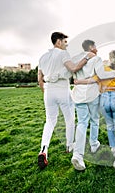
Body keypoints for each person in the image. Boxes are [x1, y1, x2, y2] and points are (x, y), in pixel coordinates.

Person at [37, 32, 95, 169]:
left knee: (50, 121)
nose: (66, 45)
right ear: (58, 42)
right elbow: (74, 68)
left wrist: (47, 93)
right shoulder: (62, 54)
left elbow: (40, 79)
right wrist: (87, 56)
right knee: (69, 119)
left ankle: (43, 150)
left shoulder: (42, 57)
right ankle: (69, 145)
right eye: (65, 42)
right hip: (62, 89)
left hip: (48, 90)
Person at [70, 40, 115, 171]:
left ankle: (78, 155)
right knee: (94, 119)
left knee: (82, 122)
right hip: (92, 94)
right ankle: (94, 144)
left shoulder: (75, 58)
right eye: (95, 46)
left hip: (78, 94)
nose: (97, 49)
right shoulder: (96, 59)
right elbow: (102, 75)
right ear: (91, 47)